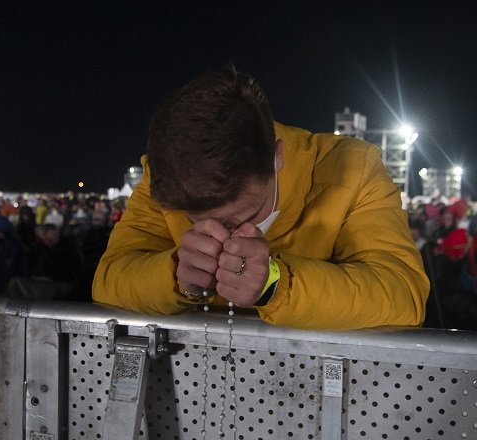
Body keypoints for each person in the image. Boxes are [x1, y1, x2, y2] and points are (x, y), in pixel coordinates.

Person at [92, 66, 429, 330]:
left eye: (240, 218)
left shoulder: (354, 168)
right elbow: (109, 280)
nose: (219, 235)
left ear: (276, 157)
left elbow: (403, 295)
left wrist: (274, 284)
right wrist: (177, 276)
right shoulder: (166, 174)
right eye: (194, 220)